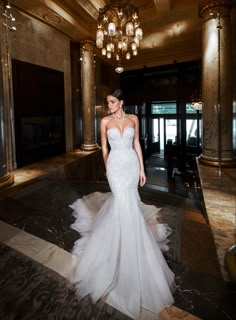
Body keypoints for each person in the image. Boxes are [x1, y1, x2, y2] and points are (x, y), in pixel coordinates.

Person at [69, 89, 175, 320]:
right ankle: (115, 247)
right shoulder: (104, 121)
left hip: (130, 165)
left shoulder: (134, 119)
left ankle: (131, 244)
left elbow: (137, 144)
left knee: (130, 205)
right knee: (120, 203)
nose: (109, 106)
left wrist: (142, 170)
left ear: (121, 102)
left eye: (112, 102)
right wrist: (108, 169)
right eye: (107, 102)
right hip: (116, 167)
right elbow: (104, 148)